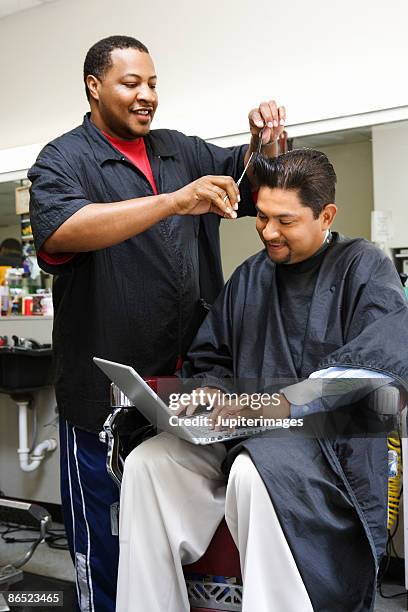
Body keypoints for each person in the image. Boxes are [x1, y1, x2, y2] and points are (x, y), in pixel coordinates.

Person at [28, 34, 285, 612]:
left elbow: (253, 184)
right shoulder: (64, 159)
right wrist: (171, 202)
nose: (147, 96)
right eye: (131, 83)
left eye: (153, 84)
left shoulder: (180, 151)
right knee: (106, 543)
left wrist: (262, 143)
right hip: (105, 399)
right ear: (94, 87)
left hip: (185, 392)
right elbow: (63, 230)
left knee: (170, 548)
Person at [116, 149, 408, 612]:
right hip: (239, 436)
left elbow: (375, 370)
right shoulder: (252, 275)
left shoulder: (363, 267)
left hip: (327, 449)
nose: (268, 231)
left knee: (257, 469)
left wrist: (273, 406)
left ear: (325, 214)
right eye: (262, 217)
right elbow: (212, 356)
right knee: (149, 465)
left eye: (285, 221)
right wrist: (209, 390)